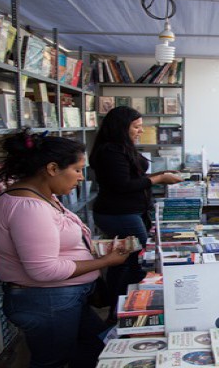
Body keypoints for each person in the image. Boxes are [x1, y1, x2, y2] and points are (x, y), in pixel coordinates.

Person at [0, 130, 128, 367]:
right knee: (53, 361)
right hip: (46, 300)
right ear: (52, 169)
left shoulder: (42, 196)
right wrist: (106, 262)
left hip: (60, 298)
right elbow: (44, 270)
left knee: (96, 348)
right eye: (76, 169)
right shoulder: (29, 208)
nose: (81, 177)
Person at [90, 106, 182, 321]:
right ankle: (126, 309)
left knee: (122, 260)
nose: (140, 131)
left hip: (127, 212)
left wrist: (161, 174)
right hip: (119, 213)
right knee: (136, 261)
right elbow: (123, 184)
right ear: (122, 127)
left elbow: (133, 176)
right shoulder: (111, 151)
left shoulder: (121, 147)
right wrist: (159, 179)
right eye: (136, 127)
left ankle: (118, 304)